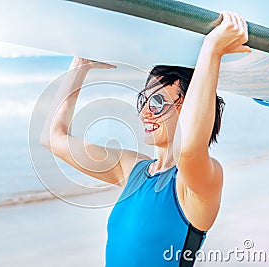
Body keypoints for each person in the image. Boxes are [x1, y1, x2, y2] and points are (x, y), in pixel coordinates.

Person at [40, 11, 250, 267]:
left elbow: (190, 149)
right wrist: (80, 67)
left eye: (158, 101)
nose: (145, 111)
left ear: (187, 107)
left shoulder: (200, 182)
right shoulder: (132, 171)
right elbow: (53, 137)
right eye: (143, 99)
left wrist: (212, 50)